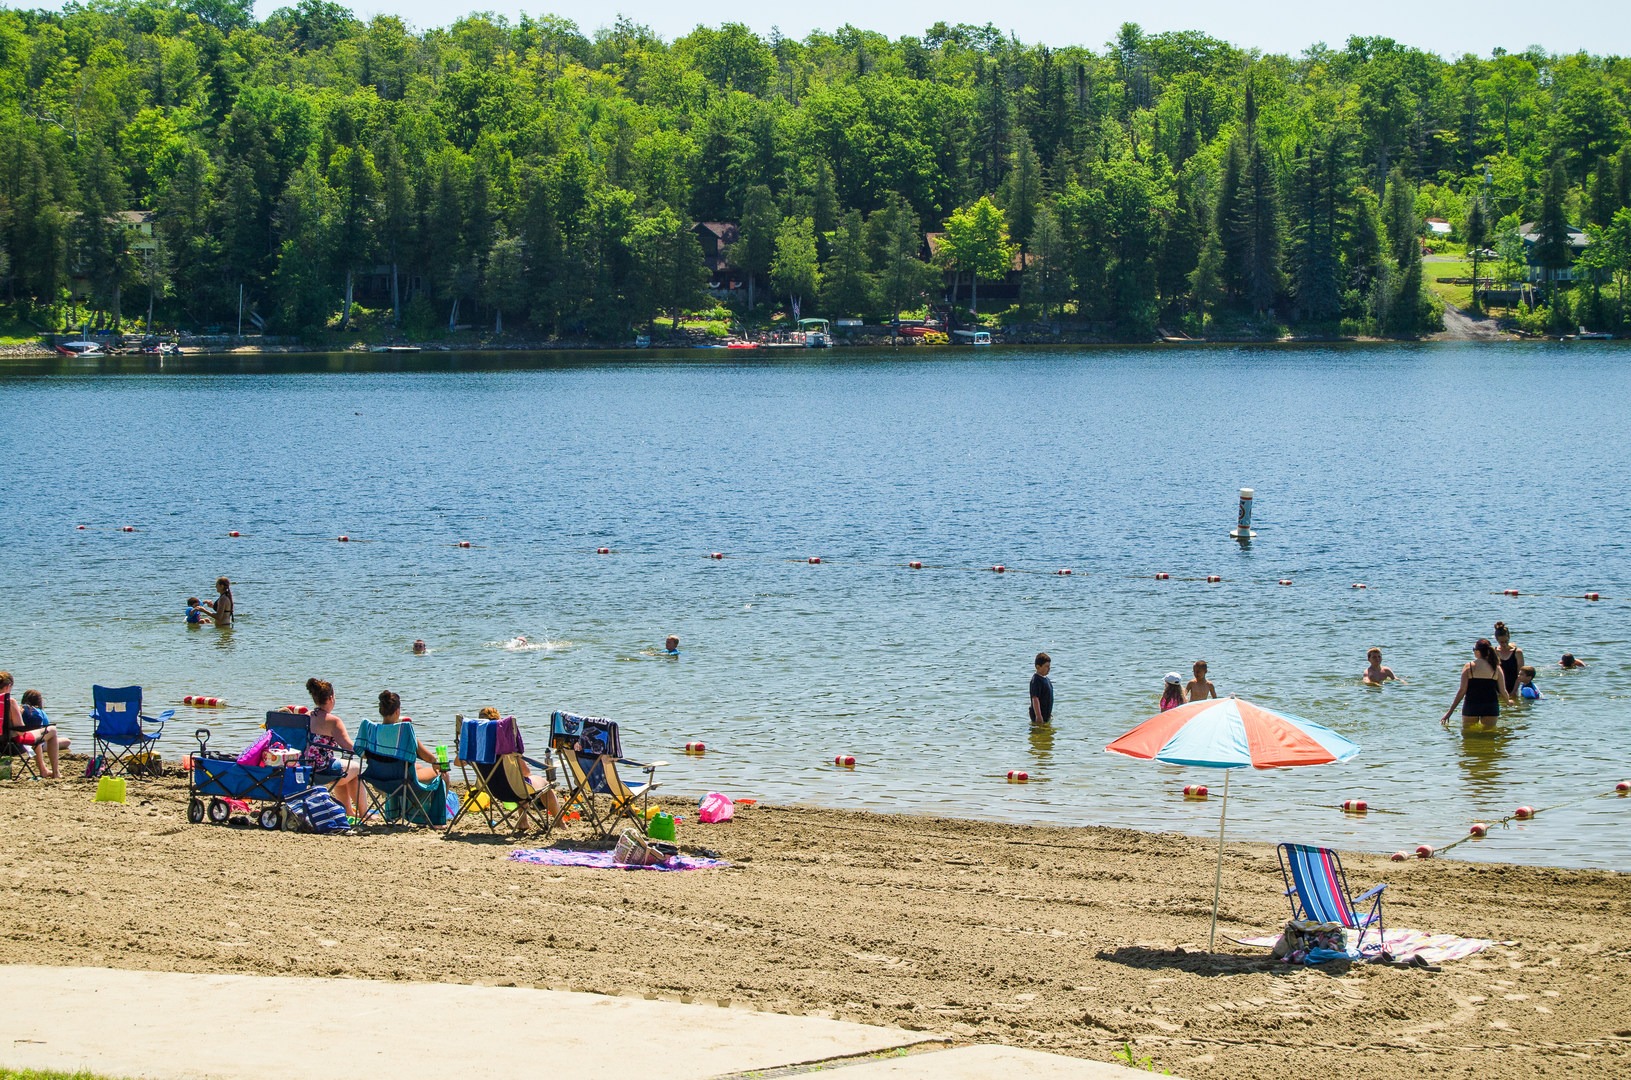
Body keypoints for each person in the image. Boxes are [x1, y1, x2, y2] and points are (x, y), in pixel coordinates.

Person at [475, 706, 560, 827]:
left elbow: (458, 763)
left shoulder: (474, 748)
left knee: (520, 784)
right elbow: (526, 772)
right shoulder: (509, 749)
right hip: (513, 790)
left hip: (490, 789)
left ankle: (523, 822)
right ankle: (559, 823)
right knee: (536, 783)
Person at [305, 678, 364, 821]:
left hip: (304, 766)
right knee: (355, 768)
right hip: (322, 768)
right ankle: (364, 813)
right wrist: (367, 750)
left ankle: (348, 810)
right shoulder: (333, 721)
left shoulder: (306, 716)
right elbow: (349, 747)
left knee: (343, 767)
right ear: (331, 698)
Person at [1440, 637, 1512, 732]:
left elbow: (1462, 691)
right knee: (1489, 738)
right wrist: (1508, 702)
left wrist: (1450, 712)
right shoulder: (1496, 668)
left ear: (1477, 651)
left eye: (1474, 649)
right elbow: (1503, 691)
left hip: (1471, 705)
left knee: (1468, 737)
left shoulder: (1469, 666)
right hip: (1490, 706)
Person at [377, 689, 444, 783]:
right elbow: (429, 758)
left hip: (378, 780)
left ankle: (397, 797)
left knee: (419, 767)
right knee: (443, 774)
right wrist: (436, 762)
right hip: (400, 781)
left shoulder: (373, 731)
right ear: (397, 711)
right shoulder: (404, 732)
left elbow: (364, 756)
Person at [2, 676, 62, 778]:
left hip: (1, 744)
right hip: (13, 744)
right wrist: (19, 714)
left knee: (37, 735)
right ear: (8, 686)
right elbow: (20, 730)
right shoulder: (10, 702)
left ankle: (44, 770)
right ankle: (56, 773)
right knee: (51, 730)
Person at [1493, 622, 1523, 697]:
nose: (1504, 644)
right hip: (1497, 689)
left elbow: (1520, 674)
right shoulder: (1494, 652)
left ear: (1509, 637)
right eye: (1501, 642)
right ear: (1496, 639)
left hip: (1513, 688)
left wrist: (1514, 691)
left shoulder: (1517, 652)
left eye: (1506, 641)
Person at [1029, 653, 1053, 726]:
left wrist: (1049, 713)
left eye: (1049, 666)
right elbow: (1035, 699)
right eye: (1046, 666)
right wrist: (1038, 716)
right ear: (1038, 667)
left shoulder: (1046, 679)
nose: (1049, 668)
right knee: (1038, 733)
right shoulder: (1036, 680)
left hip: (1046, 714)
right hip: (1039, 715)